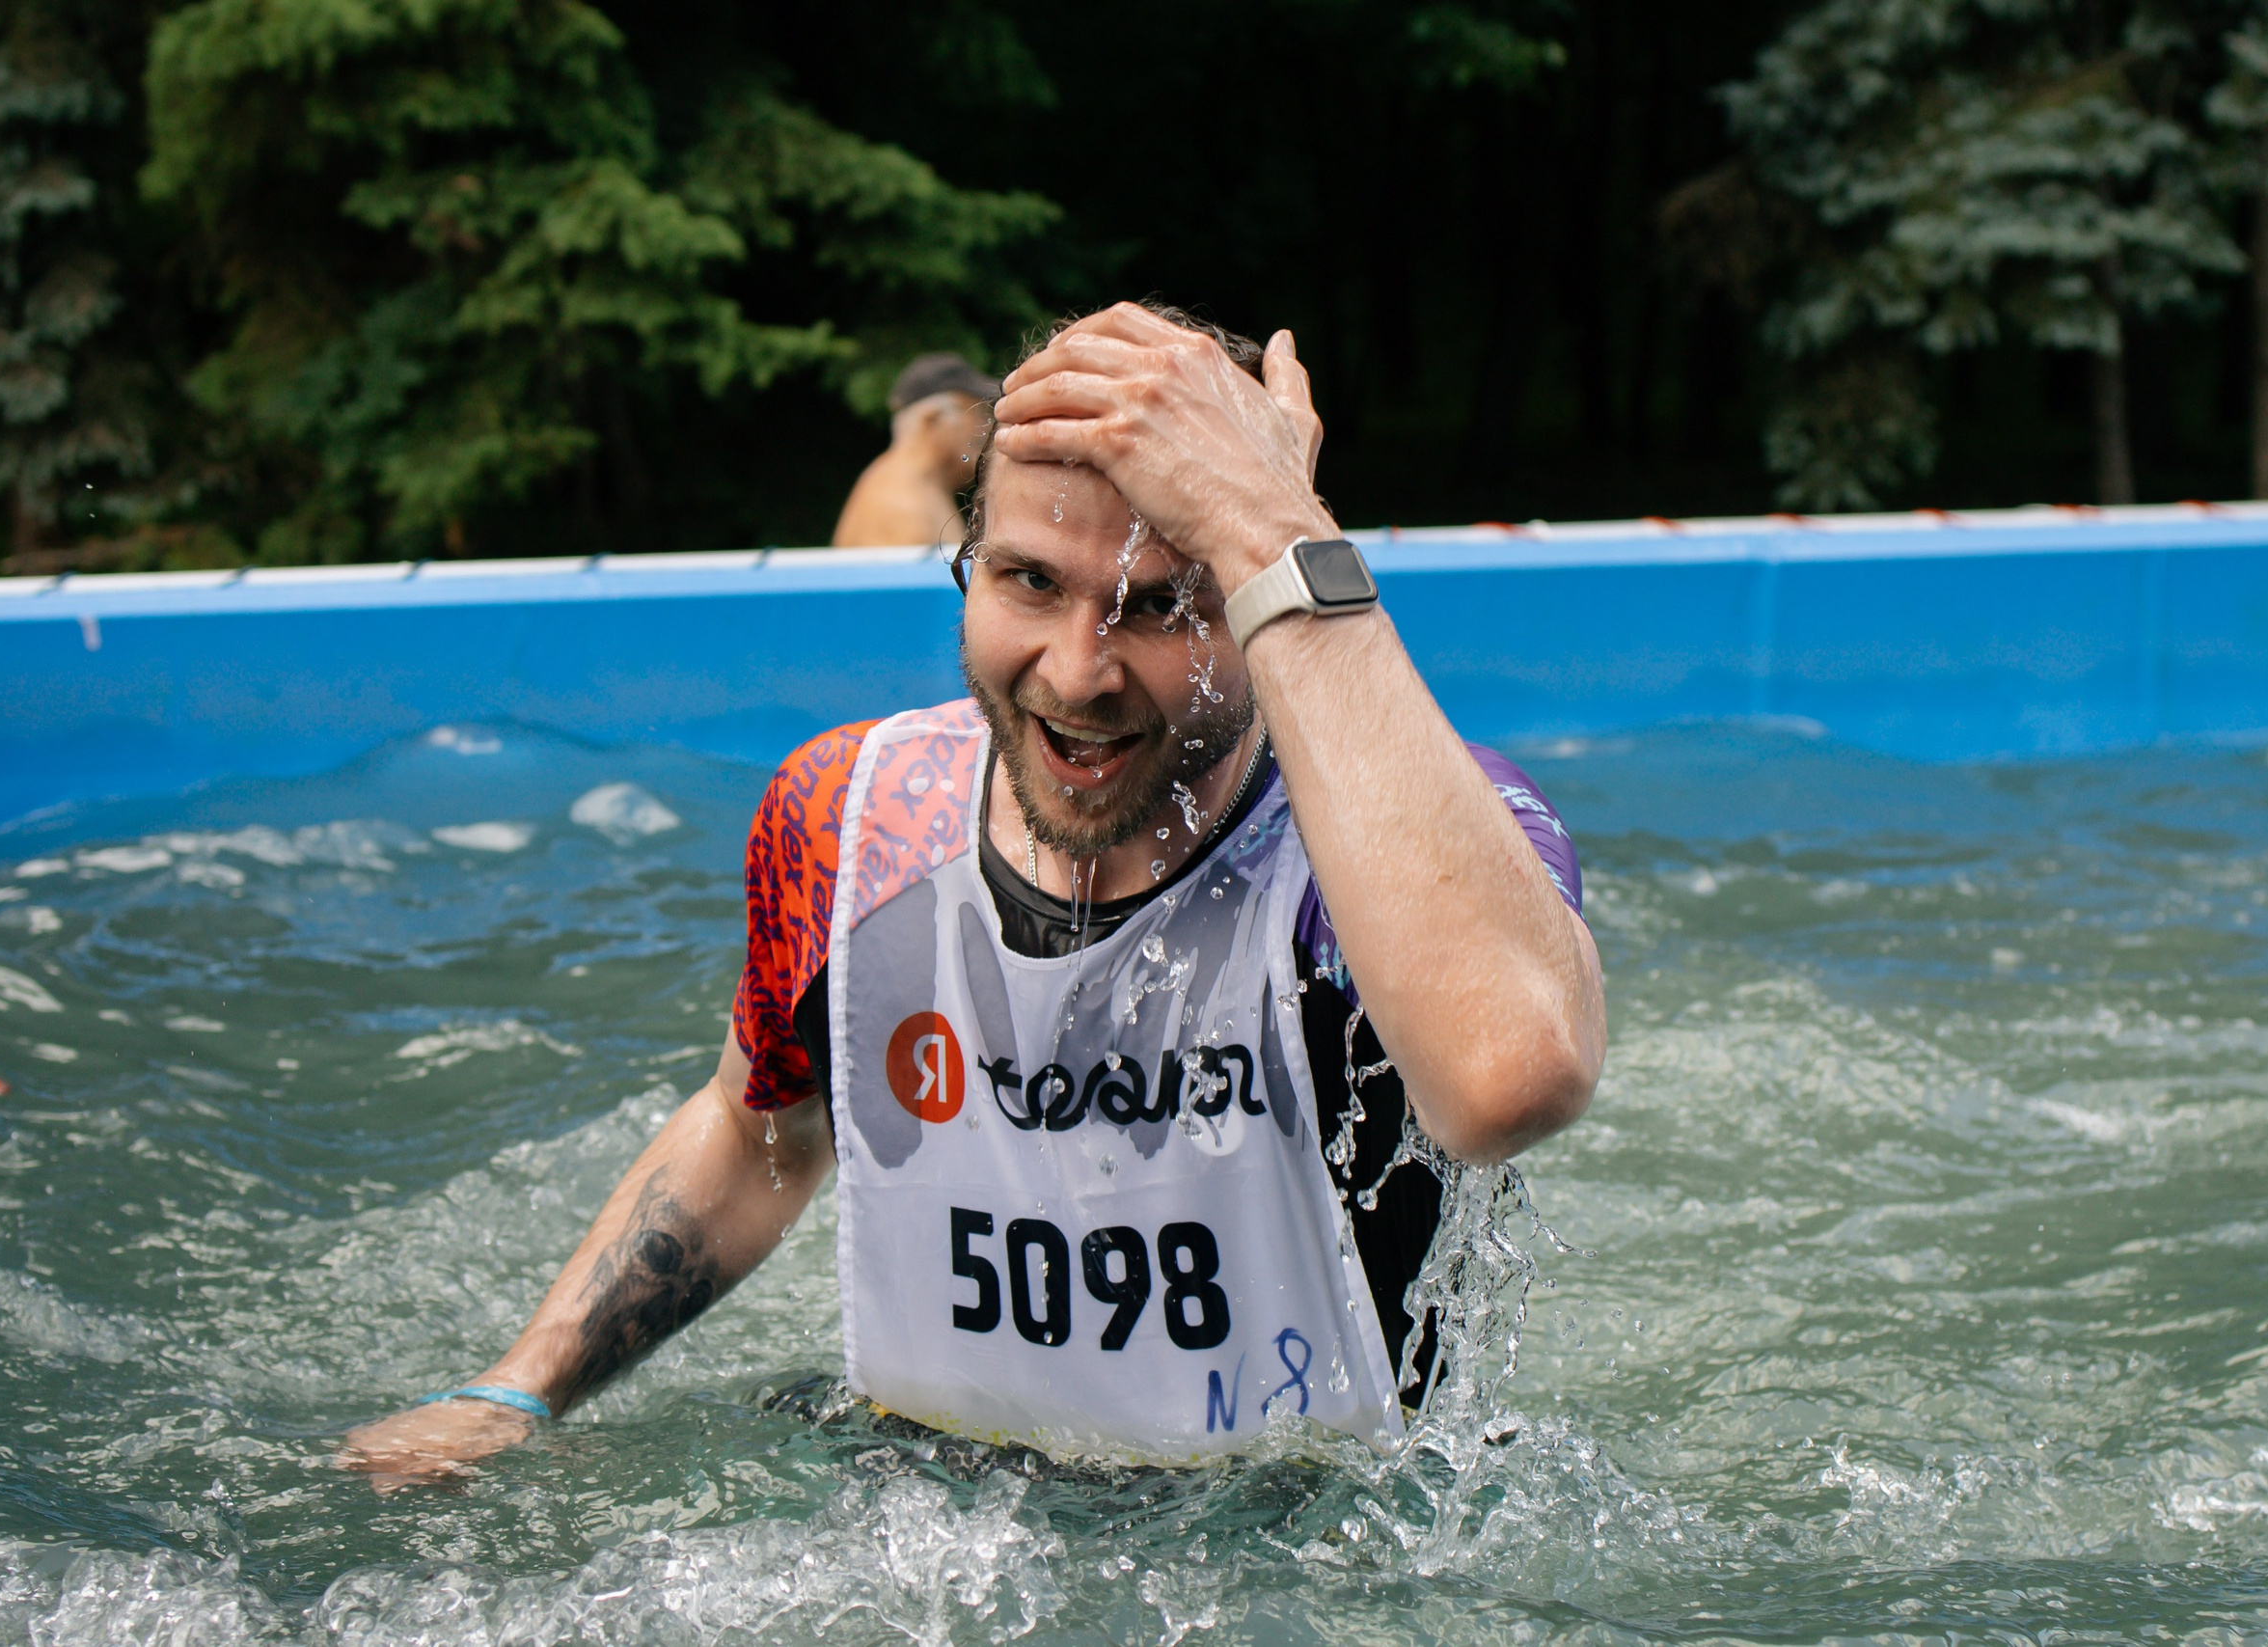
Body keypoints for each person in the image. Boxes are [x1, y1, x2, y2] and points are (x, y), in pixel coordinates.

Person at [342, 302, 1606, 1484]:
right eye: (1029, 581)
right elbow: (756, 1129)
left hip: (1295, 1545)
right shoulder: (853, 818)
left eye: (1161, 604)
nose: (1077, 672)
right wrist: (517, 1391)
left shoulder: (1414, 838)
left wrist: (1274, 527)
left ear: (1252, 601)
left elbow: (1507, 1079)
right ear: (968, 562)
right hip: (927, 1500)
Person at [829, 353, 999, 548]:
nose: (987, 427)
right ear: (932, 420)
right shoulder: (901, 505)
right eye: (977, 413)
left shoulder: (916, 487)